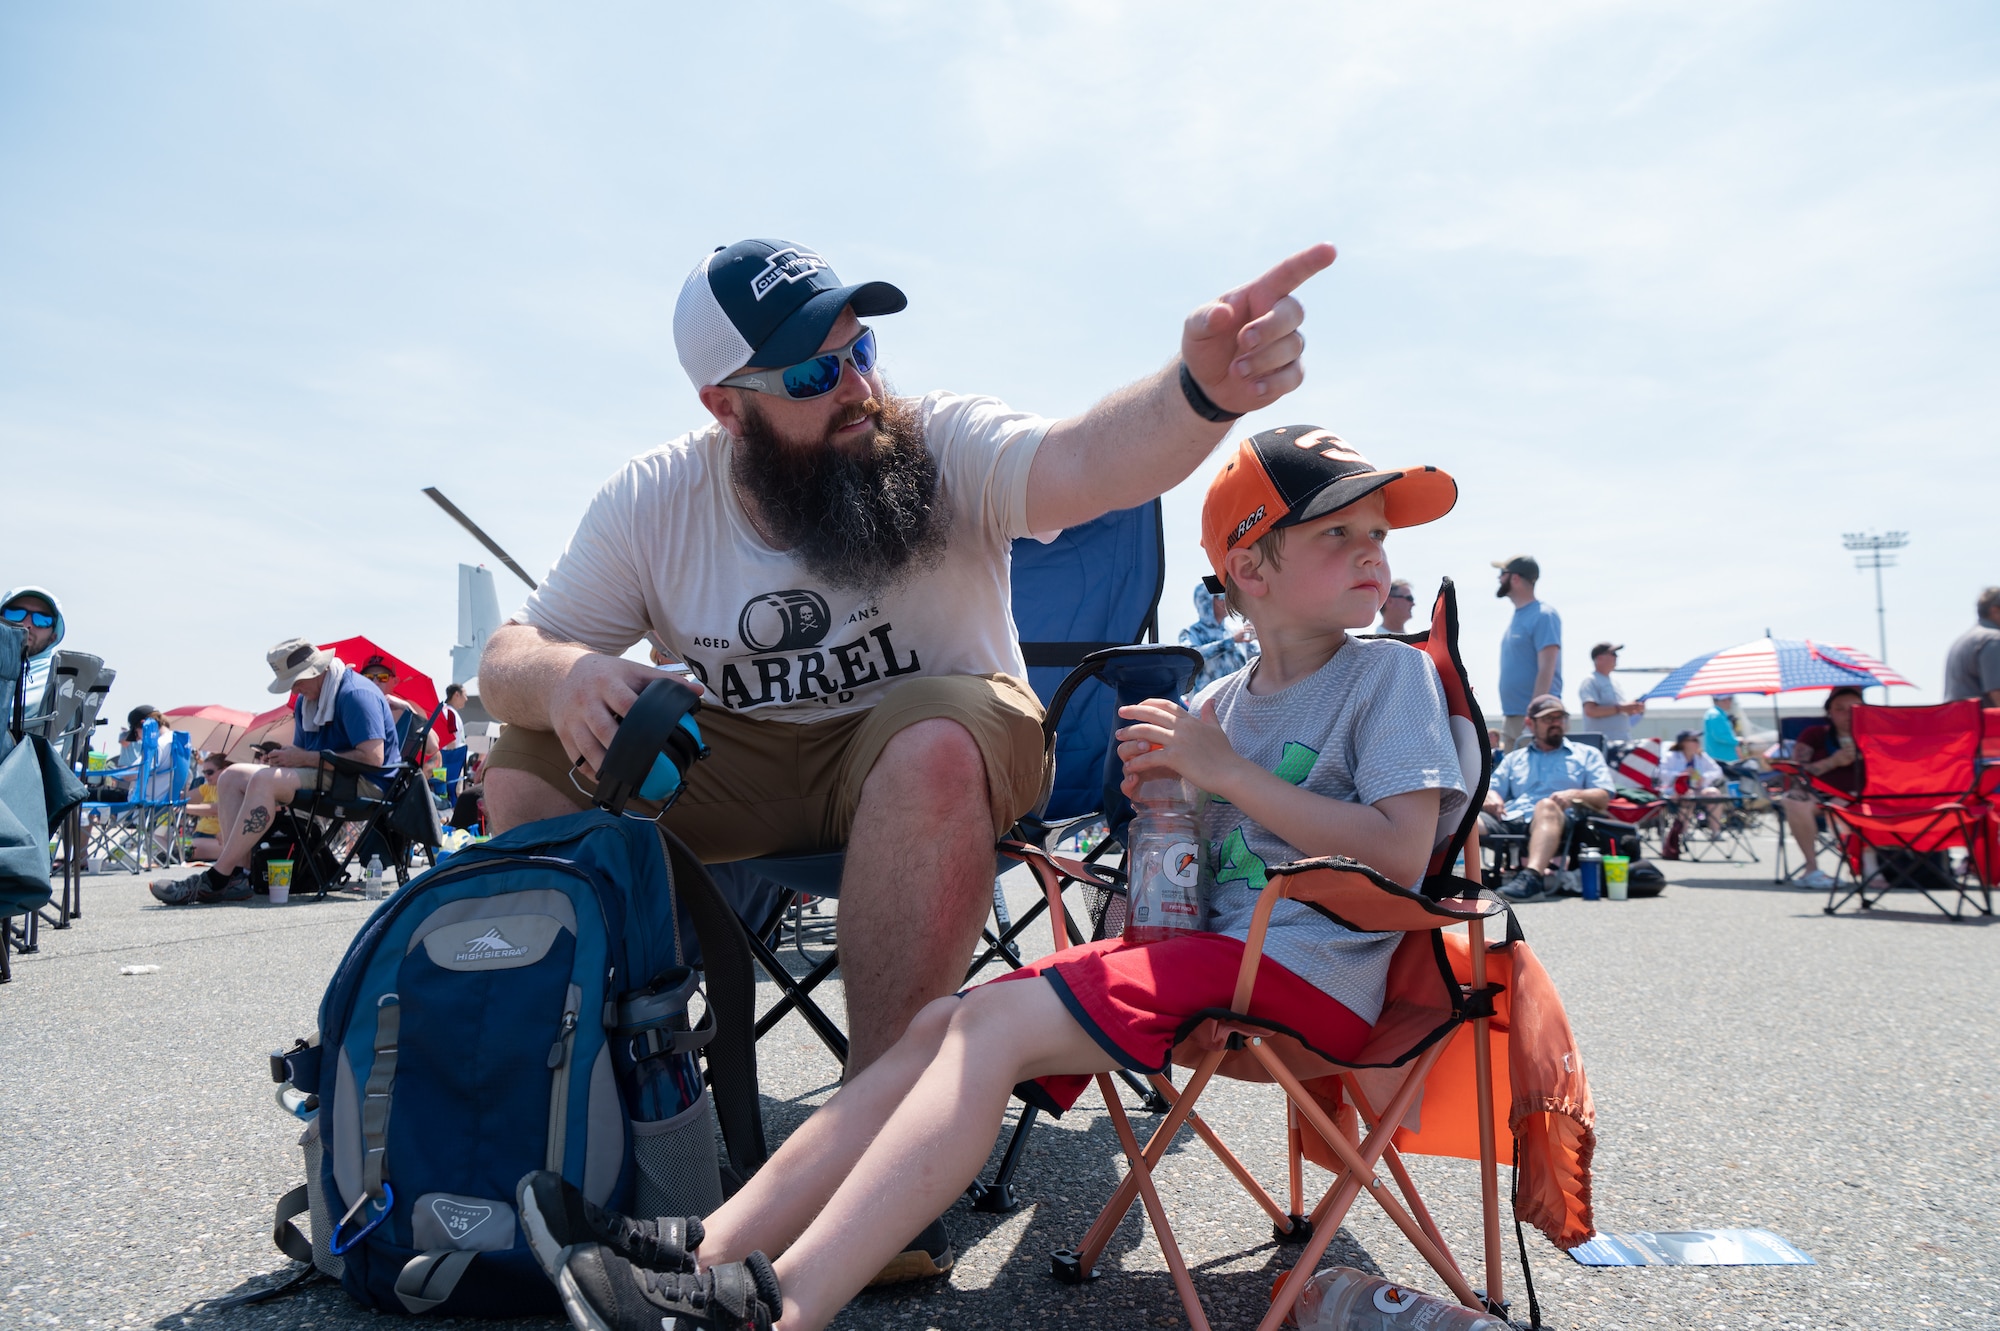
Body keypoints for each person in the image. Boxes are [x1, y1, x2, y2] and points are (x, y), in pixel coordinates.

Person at [514, 429, 1464, 1331]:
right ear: (1251, 569)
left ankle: (779, 1304)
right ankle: (702, 1250)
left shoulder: (1390, 679)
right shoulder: (1214, 706)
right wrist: (1164, 821)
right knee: (936, 1024)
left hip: (1311, 973)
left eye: (1377, 533)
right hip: (1214, 961)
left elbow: (1399, 858)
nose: (1372, 552)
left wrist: (1226, 776)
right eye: (1337, 531)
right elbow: (1197, 873)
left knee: (987, 1028)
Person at [149, 638, 399, 905]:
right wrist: (285, 759)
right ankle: (238, 875)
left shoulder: (355, 694)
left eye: (296, 681)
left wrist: (301, 758)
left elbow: (373, 759)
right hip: (333, 775)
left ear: (316, 671)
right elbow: (307, 759)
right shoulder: (307, 702)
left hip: (365, 783)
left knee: (264, 780)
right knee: (231, 776)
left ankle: (217, 877)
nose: (294, 689)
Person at [1481, 694, 1614, 903]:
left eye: (1559, 718)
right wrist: (1490, 796)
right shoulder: (1515, 759)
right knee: (1465, 816)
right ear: (1529, 724)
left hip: (1559, 820)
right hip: (1512, 817)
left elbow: (1603, 796)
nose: (1555, 723)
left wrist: (1575, 794)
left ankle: (1531, 878)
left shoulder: (1587, 754)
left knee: (1546, 805)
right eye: (1547, 719)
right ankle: (1436, 878)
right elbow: (1493, 789)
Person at [1781, 686, 1865, 888]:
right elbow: (1795, 775)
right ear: (1829, 712)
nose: (1847, 714)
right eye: (1840, 708)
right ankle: (1811, 868)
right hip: (1820, 797)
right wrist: (1833, 762)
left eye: (1854, 708)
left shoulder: (1874, 737)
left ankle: (1871, 867)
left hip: (1862, 799)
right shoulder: (1815, 735)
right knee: (1793, 799)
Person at [1492, 555, 1561, 750]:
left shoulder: (1543, 615)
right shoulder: (1520, 616)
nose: (1498, 579)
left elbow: (1547, 669)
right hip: (1516, 718)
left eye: (1502, 574)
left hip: (1534, 719)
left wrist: (1533, 717)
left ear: (1514, 578)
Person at [1654, 729, 1726, 860]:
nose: (1696, 743)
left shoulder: (1701, 756)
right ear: (1683, 743)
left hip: (1699, 789)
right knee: (1688, 794)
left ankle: (1715, 832)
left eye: (1697, 740)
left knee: (1714, 793)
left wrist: (1704, 778)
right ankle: (1683, 832)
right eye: (1692, 740)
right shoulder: (1671, 756)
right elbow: (1661, 773)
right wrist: (1682, 774)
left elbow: (1717, 771)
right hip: (1676, 792)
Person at [1, 585, 64, 722]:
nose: (26, 624)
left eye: (41, 619)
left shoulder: (57, 680)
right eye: (15, 613)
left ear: (53, 636)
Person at [1179, 583, 1254, 691]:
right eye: (1221, 596)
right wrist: (1230, 641)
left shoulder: (1233, 631)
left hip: (1237, 700)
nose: (1227, 601)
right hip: (1207, 701)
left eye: (1227, 596)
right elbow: (1193, 657)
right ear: (1205, 601)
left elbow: (1255, 657)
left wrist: (1261, 636)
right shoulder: (1190, 632)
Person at [1576, 641, 1644, 747]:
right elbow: (1590, 711)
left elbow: (1619, 711)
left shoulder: (1615, 683)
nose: (1616, 657)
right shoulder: (1590, 681)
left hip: (1622, 743)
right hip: (1603, 745)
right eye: (1613, 654)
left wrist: (1633, 709)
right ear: (1599, 658)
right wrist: (1621, 708)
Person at [1943, 586, 2000, 705]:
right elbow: (1997, 694)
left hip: (1957, 720)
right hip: (1980, 722)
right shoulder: (1994, 640)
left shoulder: (1964, 640)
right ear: (1995, 611)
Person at [185, 752, 227, 862]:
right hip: (200, 834)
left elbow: (216, 809)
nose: (206, 776)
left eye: (210, 772)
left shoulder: (231, 789)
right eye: (204, 772)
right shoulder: (208, 787)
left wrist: (184, 808)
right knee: (181, 849)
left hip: (218, 837)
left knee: (186, 850)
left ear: (225, 770)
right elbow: (184, 799)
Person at [437, 683, 469, 795]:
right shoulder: (450, 713)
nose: (466, 698)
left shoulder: (444, 710)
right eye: (464, 695)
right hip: (452, 763)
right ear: (456, 694)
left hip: (445, 762)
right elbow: (451, 741)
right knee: (454, 793)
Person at [1703, 693, 1742, 766]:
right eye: (1726, 700)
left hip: (1723, 759)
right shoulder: (1716, 715)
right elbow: (1720, 736)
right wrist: (1738, 741)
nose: (1729, 702)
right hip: (1722, 760)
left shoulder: (1718, 714)